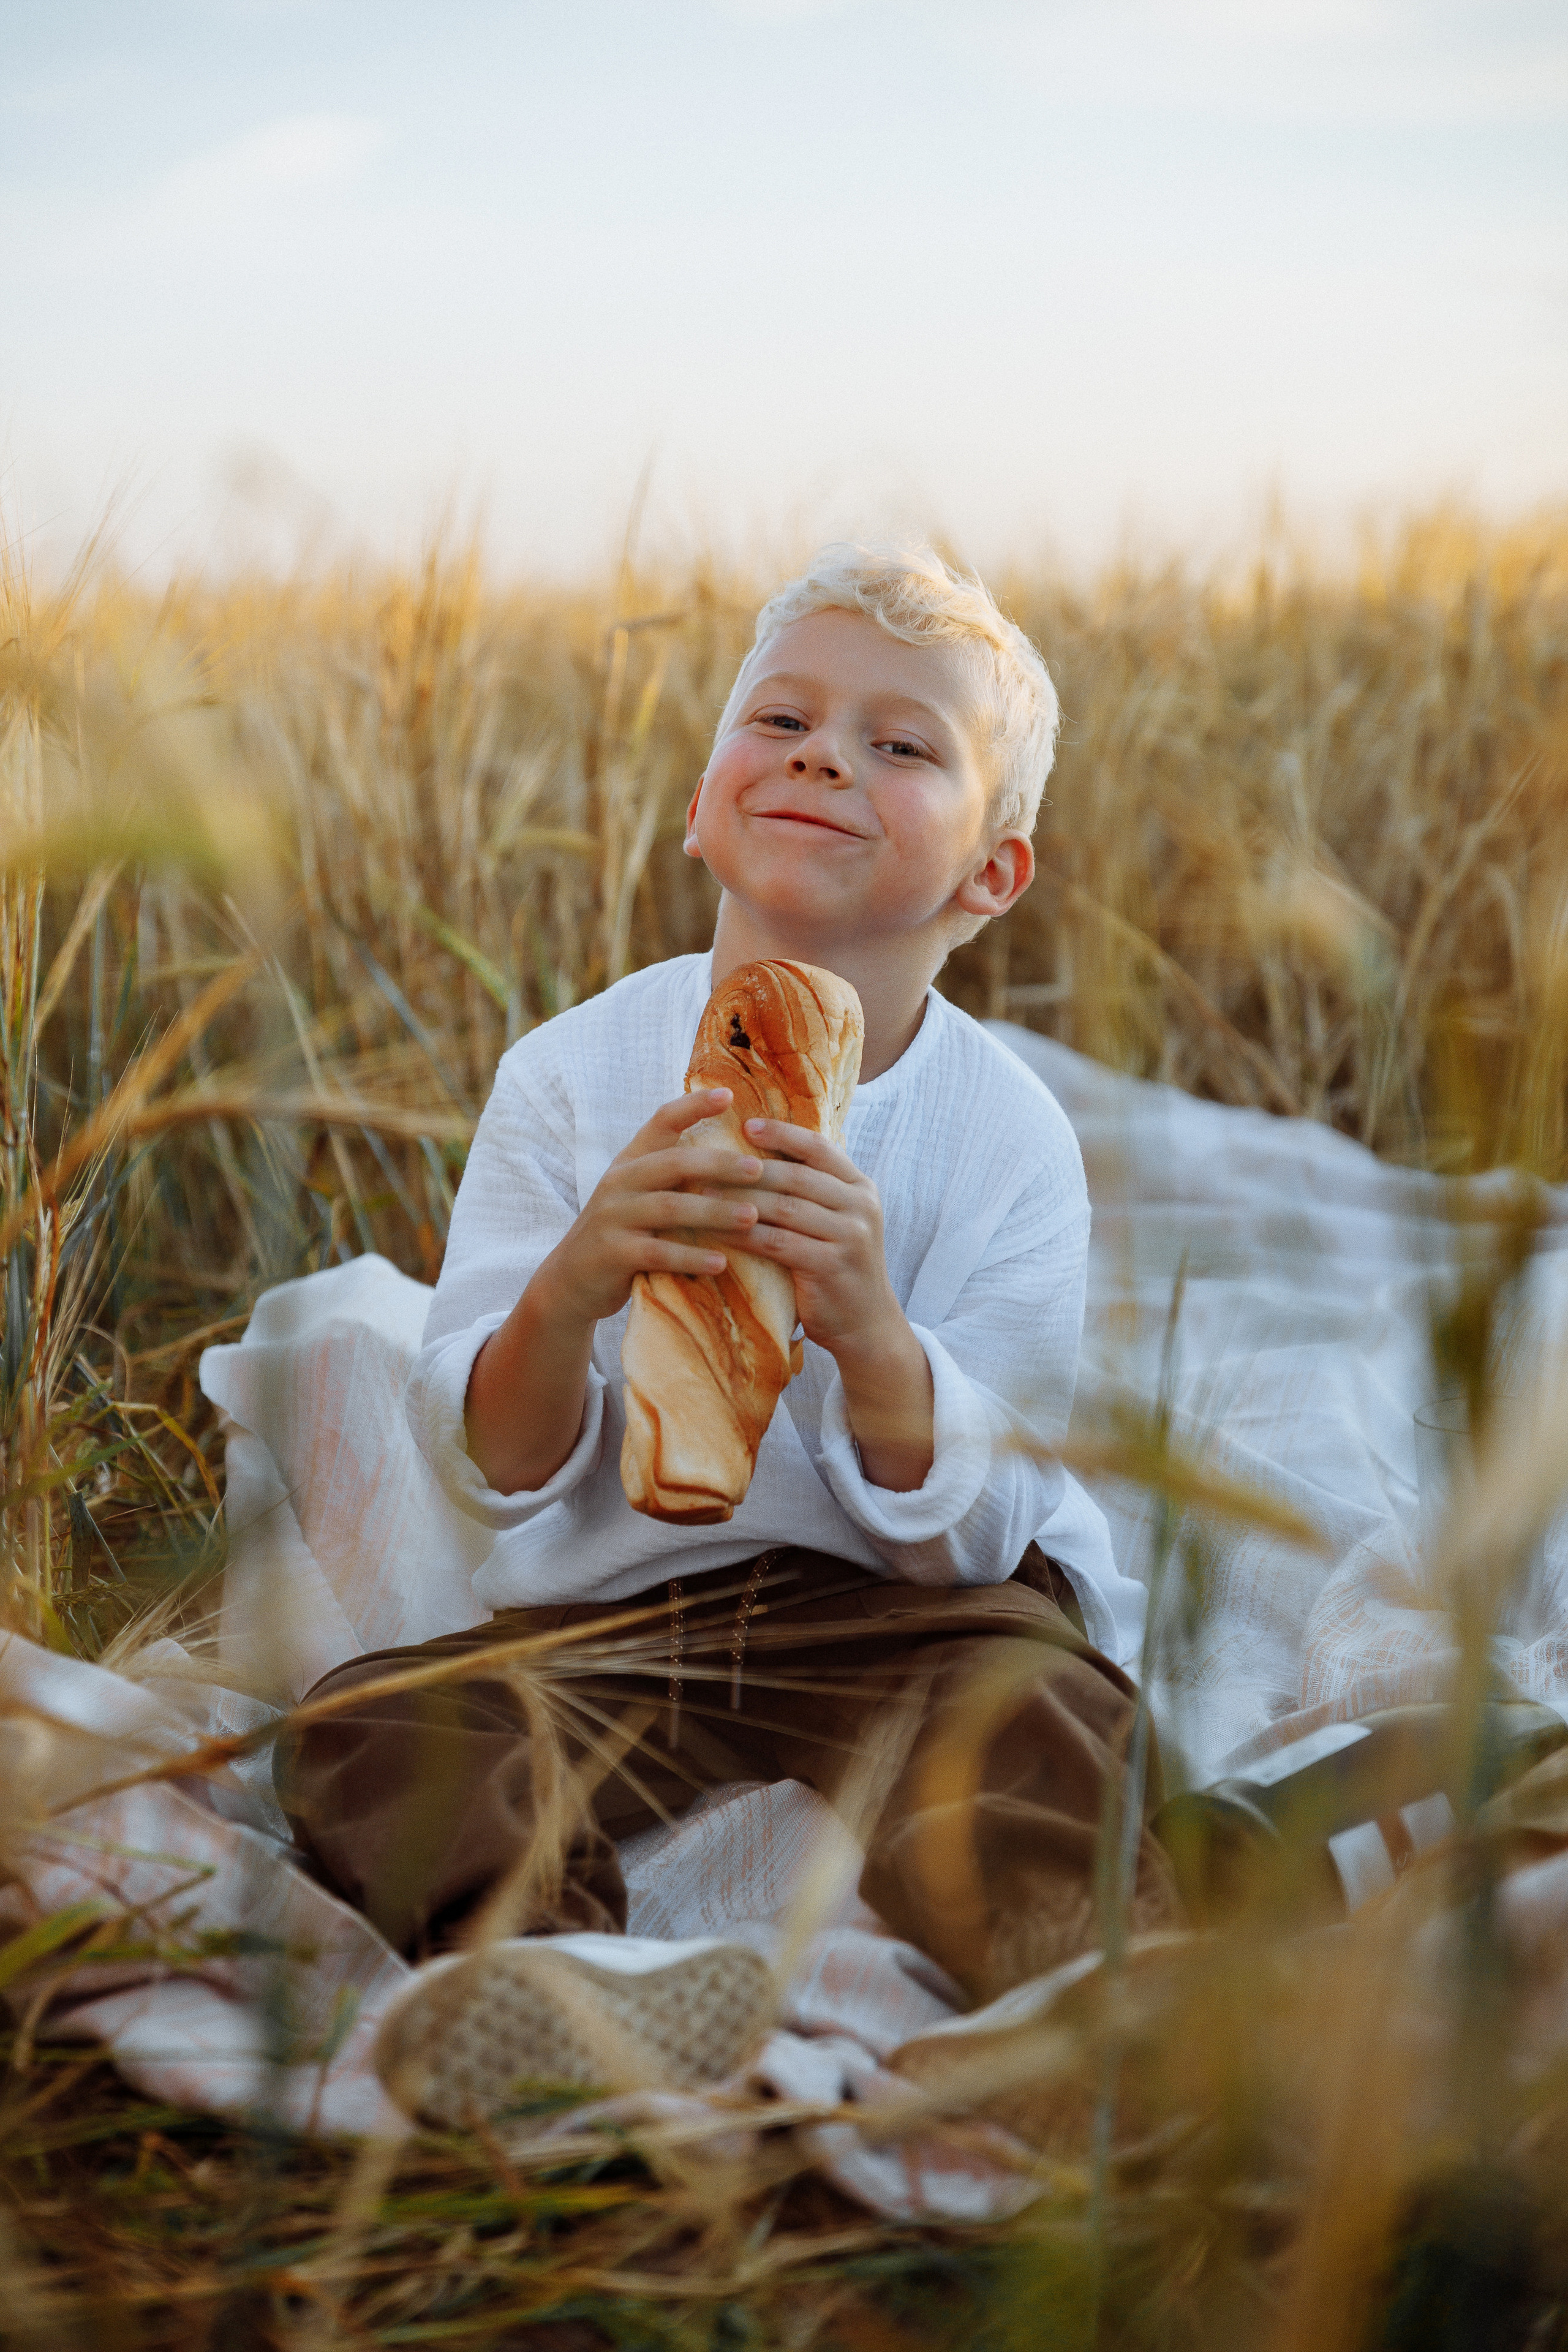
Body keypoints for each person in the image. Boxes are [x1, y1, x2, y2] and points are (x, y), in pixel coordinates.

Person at [274, 543, 1178, 2120]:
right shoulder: (571, 1075)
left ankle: (1079, 2001)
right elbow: (485, 1454)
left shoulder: (1003, 1134)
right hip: (624, 1605)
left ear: (989, 875)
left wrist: (870, 1327)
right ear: (702, 803)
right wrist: (575, 1283)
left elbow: (989, 1515)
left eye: (905, 745)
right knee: (375, 1734)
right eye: (783, 720)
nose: (829, 753)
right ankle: (561, 1991)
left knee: (1044, 1720)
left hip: (903, 1618)